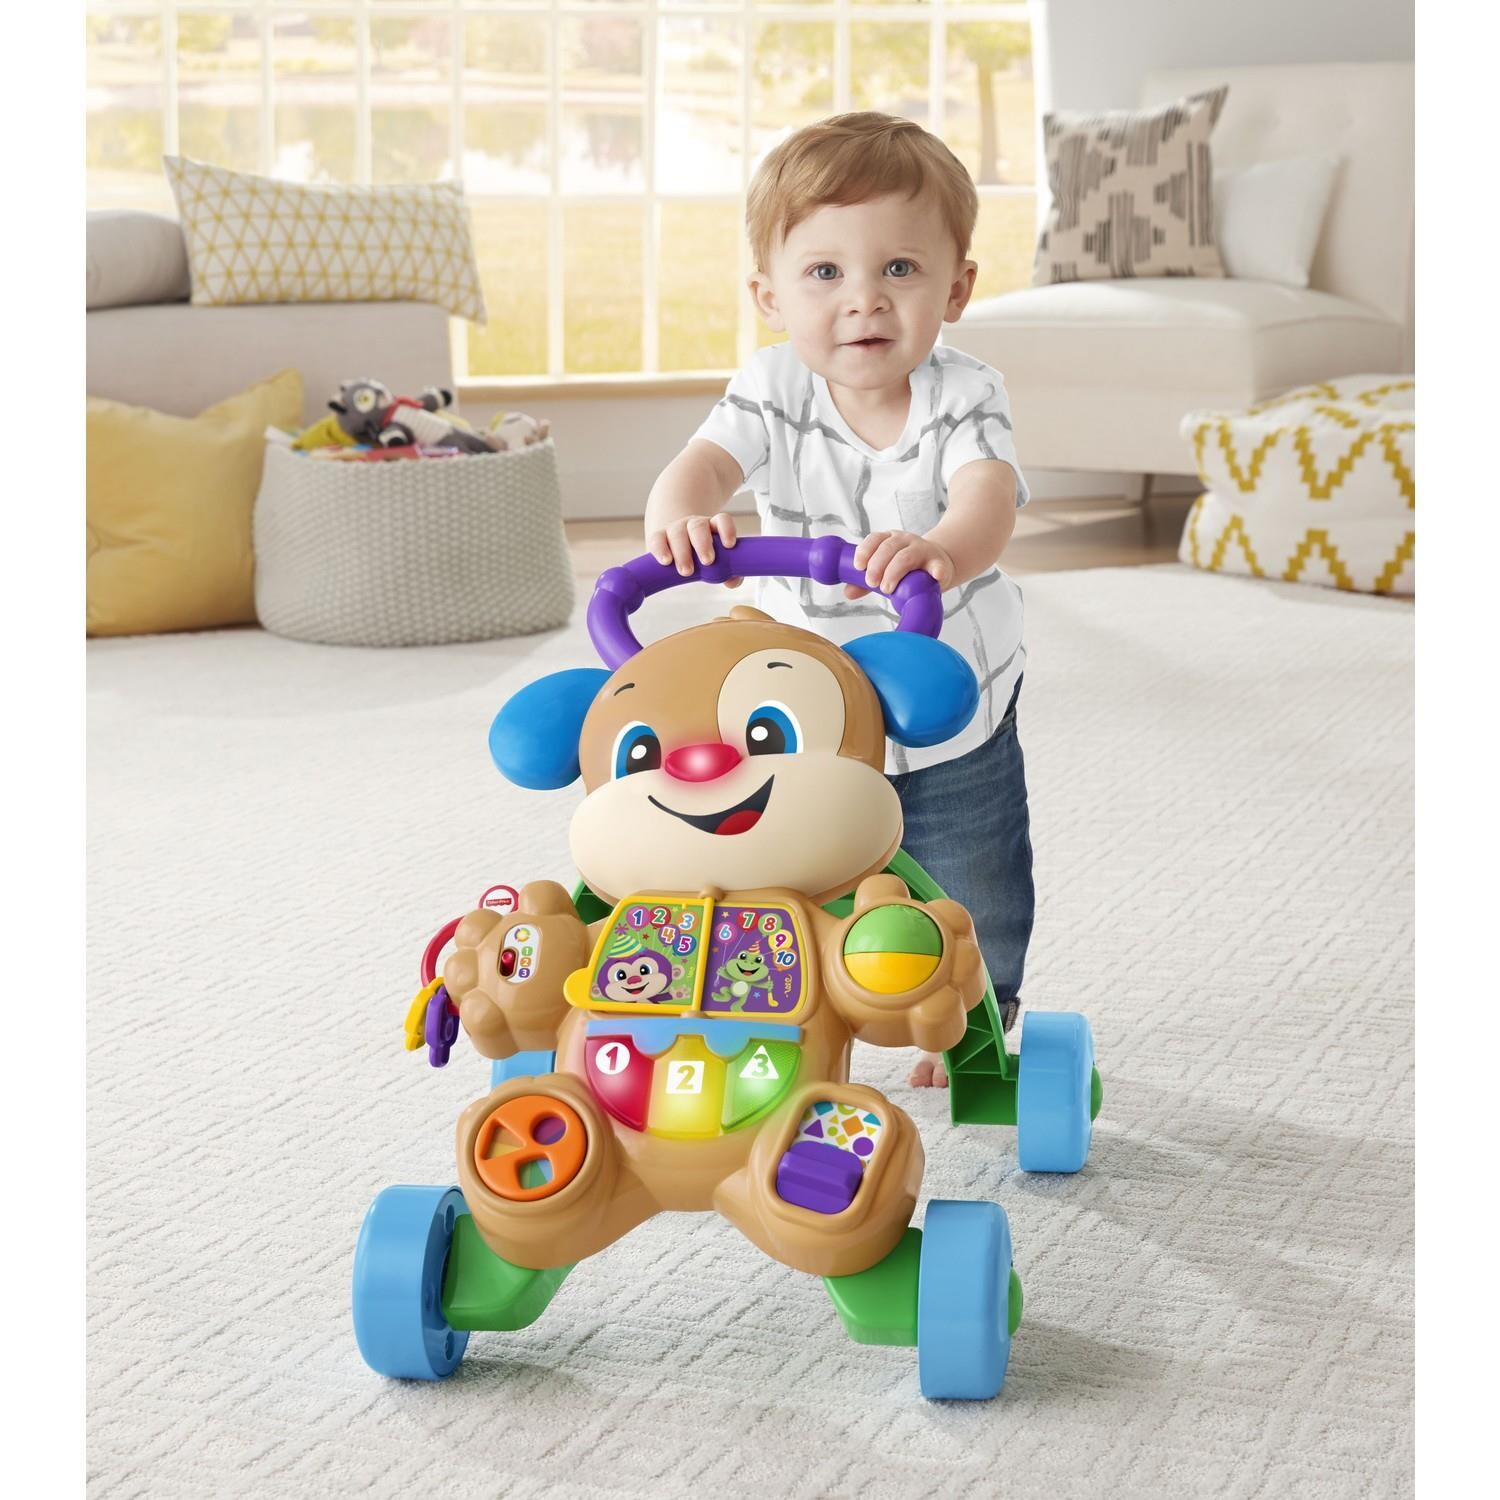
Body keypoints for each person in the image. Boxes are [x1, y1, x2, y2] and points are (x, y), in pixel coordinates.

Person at [643, 111, 1033, 1087]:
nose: (864, 300)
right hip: (800, 697)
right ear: (770, 296)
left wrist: (940, 550)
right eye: (825, 273)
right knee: (784, 860)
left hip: (945, 690)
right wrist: (682, 517)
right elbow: (701, 467)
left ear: (957, 288)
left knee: (968, 862)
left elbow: (988, 498)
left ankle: (981, 1005)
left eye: (900, 269)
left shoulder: (964, 394)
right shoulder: (772, 385)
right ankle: (782, 1003)